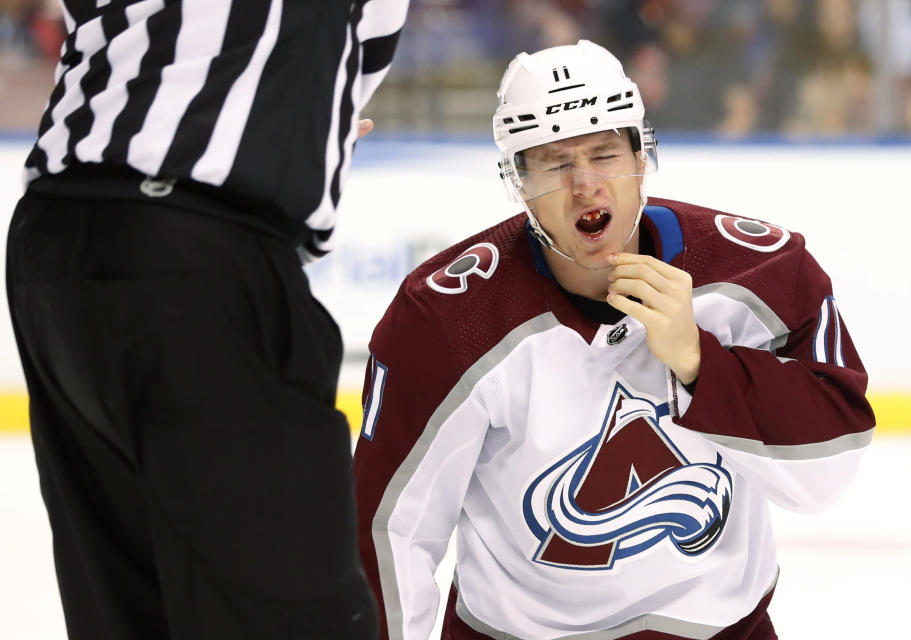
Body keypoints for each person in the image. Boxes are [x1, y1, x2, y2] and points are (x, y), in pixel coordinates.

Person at [353, 40, 875, 639]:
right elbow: (390, 533)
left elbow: (830, 472)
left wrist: (703, 363)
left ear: (642, 156)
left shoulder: (762, 273)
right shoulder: (445, 320)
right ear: (518, 182)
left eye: (604, 154)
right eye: (553, 162)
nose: (585, 186)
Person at [5, 1, 408, 639]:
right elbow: (362, 58)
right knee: (294, 619)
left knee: (134, 613)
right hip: (195, 245)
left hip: (52, 243)